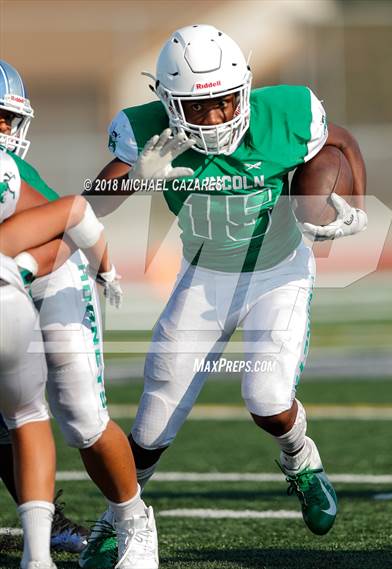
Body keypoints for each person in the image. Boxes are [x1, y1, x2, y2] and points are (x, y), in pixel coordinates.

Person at [82, 24, 368, 566]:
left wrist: (348, 201)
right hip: (205, 273)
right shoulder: (145, 132)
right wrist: (138, 180)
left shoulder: (285, 113)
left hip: (277, 269)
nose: (215, 117)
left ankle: (300, 459)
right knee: (152, 419)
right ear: (167, 103)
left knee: (265, 395)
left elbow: (343, 143)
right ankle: (119, 518)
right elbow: (89, 207)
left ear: (245, 87)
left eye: (223, 101)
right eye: (198, 106)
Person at [0, 61, 158, 569]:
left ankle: (132, 518)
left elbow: (66, 227)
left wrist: (22, 268)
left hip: (52, 275)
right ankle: (40, 545)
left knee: (83, 420)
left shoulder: (7, 175)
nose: (5, 129)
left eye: (6, 118)